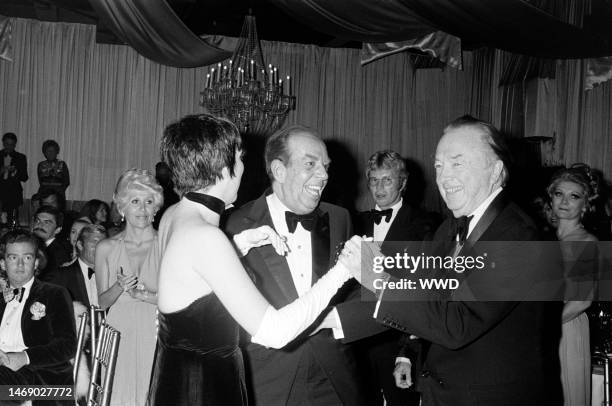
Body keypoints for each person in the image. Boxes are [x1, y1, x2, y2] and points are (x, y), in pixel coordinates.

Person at [338, 115, 563, 405]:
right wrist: (335, 323)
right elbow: (420, 294)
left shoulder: (517, 236)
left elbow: (457, 324)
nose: (443, 177)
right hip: (442, 393)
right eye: (439, 166)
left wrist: (373, 275)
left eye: (457, 163)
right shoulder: (449, 228)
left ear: (495, 171)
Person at [148, 115, 360, 406]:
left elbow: (189, 286)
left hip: (178, 378)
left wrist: (238, 245)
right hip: (205, 388)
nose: (244, 168)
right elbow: (276, 332)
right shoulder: (206, 238)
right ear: (224, 168)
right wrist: (342, 271)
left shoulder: (175, 216)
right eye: (240, 158)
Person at [225, 124, 365, 406]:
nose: (324, 175)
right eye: (310, 164)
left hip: (334, 377)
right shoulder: (236, 224)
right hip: (265, 381)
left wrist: (331, 321)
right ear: (279, 171)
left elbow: (363, 295)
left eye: (325, 166)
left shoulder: (340, 218)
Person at [352, 150, 434, 406]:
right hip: (357, 346)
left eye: (387, 180)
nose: (379, 187)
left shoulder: (425, 225)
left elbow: (423, 293)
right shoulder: (353, 223)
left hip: (398, 344)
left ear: (403, 182)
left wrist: (407, 353)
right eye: (374, 180)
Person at [95, 169, 162, 406]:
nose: (142, 209)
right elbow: (101, 304)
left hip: (156, 332)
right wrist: (119, 287)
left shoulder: (167, 244)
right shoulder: (106, 248)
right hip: (118, 334)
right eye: (135, 201)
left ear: (157, 207)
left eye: (148, 202)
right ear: (122, 207)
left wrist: (145, 295)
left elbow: (178, 300)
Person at [0, 230, 76, 406]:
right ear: (3, 264)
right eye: (13, 258)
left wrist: (24, 357)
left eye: (27, 258)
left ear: (36, 263)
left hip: (42, 383)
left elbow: (67, 346)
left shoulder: (54, 294)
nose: (20, 264)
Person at [548, 165, 598, 406]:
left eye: (574, 196)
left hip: (566, 326)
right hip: (541, 326)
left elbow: (582, 301)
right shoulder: (542, 238)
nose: (565, 201)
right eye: (559, 194)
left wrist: (544, 327)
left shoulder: (587, 242)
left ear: (586, 204)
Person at [48, 224, 107, 307]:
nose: (100, 248)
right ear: (80, 245)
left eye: (103, 244)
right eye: (95, 243)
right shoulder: (60, 276)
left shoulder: (112, 276)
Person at [32, 205, 72, 279]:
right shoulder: (28, 245)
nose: (40, 225)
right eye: (37, 221)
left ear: (58, 229)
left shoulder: (60, 255)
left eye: (47, 222)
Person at [0, 132, 28, 225]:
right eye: (7, 144)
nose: (9, 147)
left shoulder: (21, 157)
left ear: (15, 144)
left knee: (12, 221)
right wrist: (2, 170)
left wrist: (15, 172)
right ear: (3, 143)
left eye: (11, 144)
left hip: (13, 194)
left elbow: (24, 177)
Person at [152, 161, 179, 229]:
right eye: (161, 172)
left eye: (164, 173)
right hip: (158, 225)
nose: (163, 174)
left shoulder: (173, 189)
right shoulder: (153, 188)